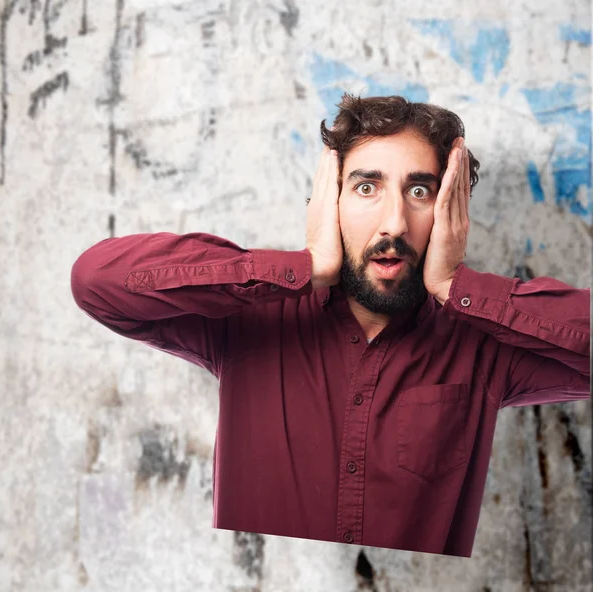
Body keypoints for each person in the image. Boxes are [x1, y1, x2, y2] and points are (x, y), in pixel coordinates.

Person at [70, 94, 590, 557]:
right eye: (366, 188)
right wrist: (306, 266)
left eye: (420, 192)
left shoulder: (484, 346)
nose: (393, 224)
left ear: (451, 211)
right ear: (330, 202)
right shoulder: (246, 323)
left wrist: (456, 286)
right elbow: (96, 280)